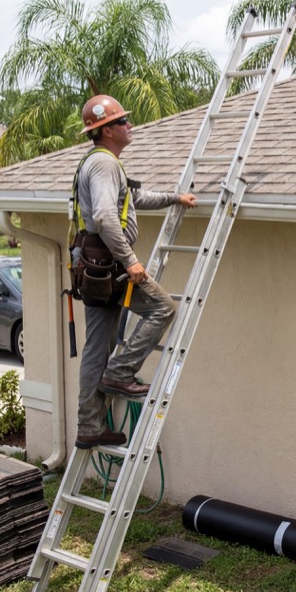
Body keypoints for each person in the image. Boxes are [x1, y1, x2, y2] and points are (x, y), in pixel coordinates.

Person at [70, 94, 197, 449]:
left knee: (97, 347)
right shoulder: (105, 165)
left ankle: (89, 426)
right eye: (123, 121)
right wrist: (129, 260)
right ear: (107, 130)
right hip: (109, 265)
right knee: (163, 308)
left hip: (92, 265)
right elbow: (106, 218)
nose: (130, 126)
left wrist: (175, 198)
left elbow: (133, 200)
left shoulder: (99, 164)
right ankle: (120, 372)